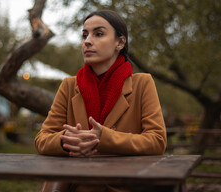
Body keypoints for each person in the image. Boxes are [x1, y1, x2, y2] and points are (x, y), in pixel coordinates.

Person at [35, 10, 167, 192]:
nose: (87, 41)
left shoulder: (142, 84)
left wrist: (102, 138)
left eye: (98, 34)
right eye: (84, 35)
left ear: (120, 42)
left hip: (125, 186)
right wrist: (67, 142)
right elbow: (42, 139)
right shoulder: (68, 85)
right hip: (78, 185)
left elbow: (157, 141)